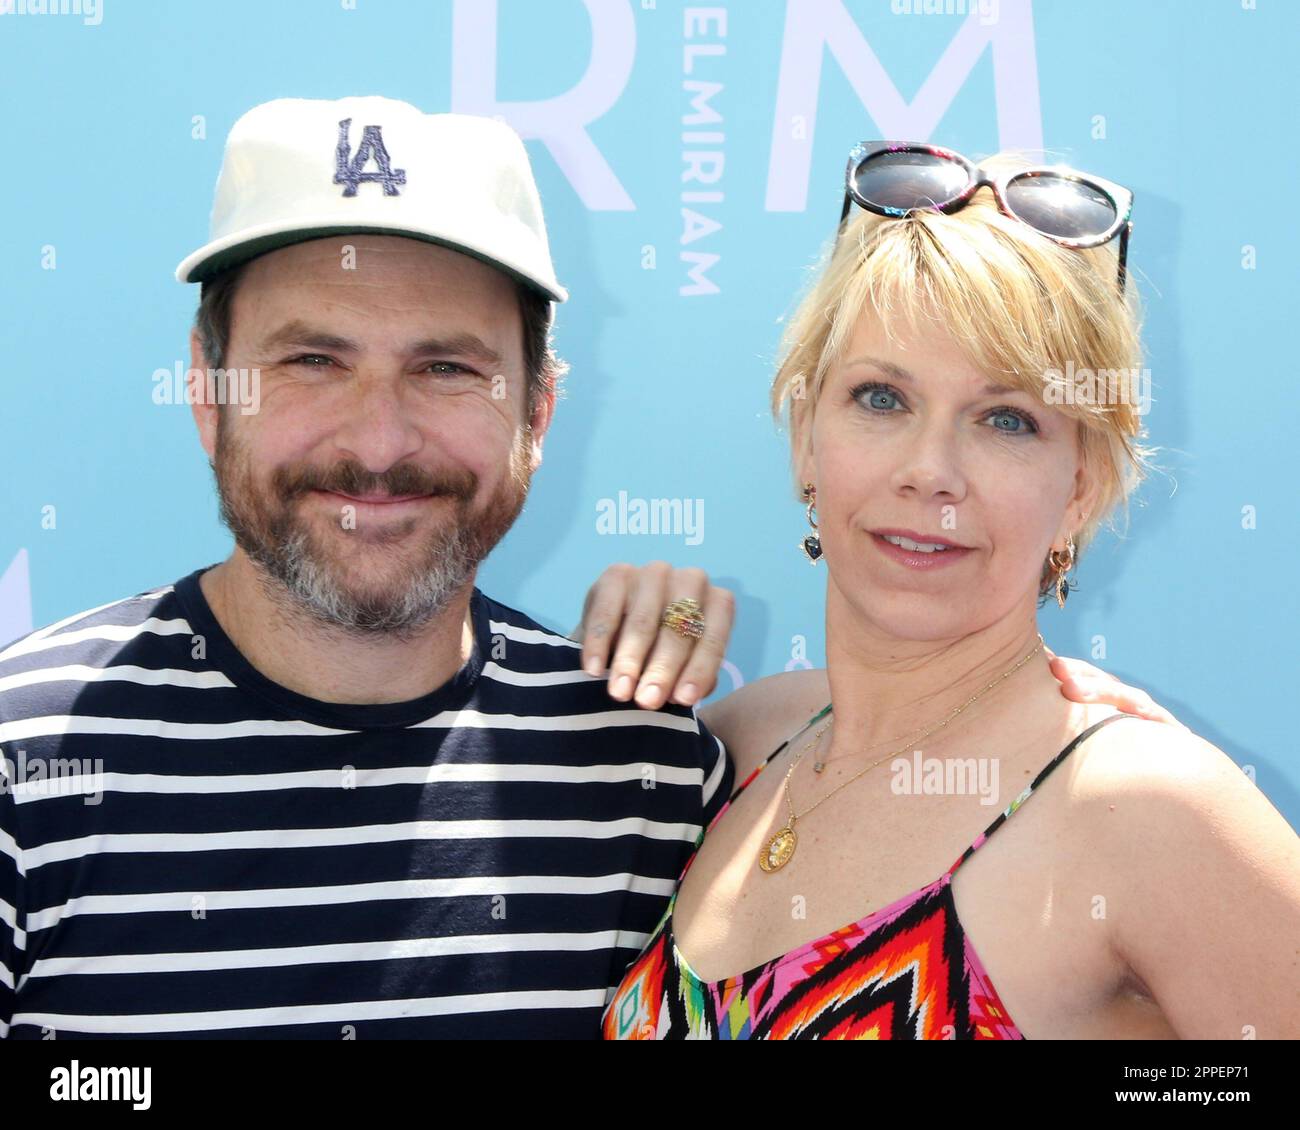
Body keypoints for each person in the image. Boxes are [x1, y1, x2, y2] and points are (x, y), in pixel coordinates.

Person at [0, 104, 1161, 1040]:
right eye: (312, 359)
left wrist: (1068, 735)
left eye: (447, 368)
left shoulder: (649, 765)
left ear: (538, 411)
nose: (380, 437)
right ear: (208, 397)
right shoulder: (23, 757)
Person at [600, 142, 1300, 1040]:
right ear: (806, 433)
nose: (931, 472)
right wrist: (655, 608)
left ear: (1080, 487)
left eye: (1006, 420)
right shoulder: (745, 741)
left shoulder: (1146, 808)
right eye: (882, 399)